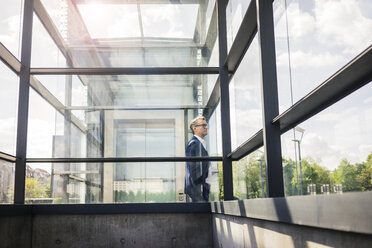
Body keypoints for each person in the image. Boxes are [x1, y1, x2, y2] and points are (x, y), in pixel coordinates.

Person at [184, 116, 210, 202]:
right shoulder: (194, 144)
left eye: (206, 125)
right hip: (196, 189)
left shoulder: (200, 143)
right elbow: (193, 170)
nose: (206, 127)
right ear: (195, 128)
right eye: (203, 125)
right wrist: (199, 189)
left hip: (200, 188)